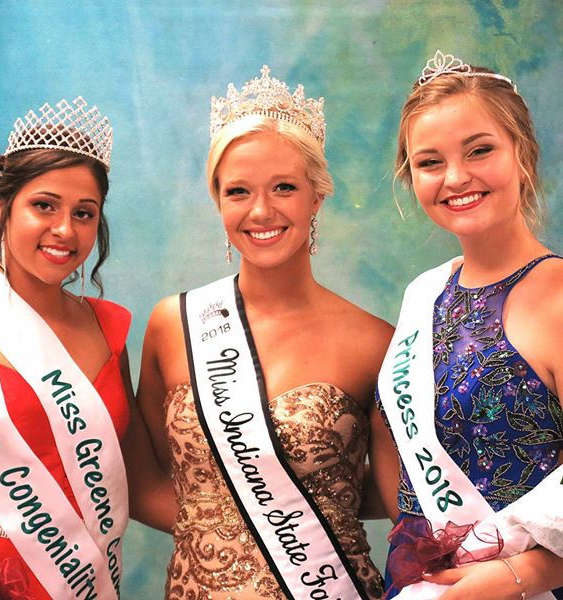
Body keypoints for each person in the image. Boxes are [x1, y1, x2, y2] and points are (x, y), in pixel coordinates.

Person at [137, 65, 394, 599]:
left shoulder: (374, 342)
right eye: (238, 191)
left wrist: (322, 509)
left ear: (316, 195)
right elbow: (146, 480)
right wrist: (220, 542)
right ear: (218, 201)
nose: (261, 210)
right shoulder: (173, 325)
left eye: (284, 187)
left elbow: (402, 492)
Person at [375, 50, 563, 599]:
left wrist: (523, 574)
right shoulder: (424, 293)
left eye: (479, 150)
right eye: (430, 162)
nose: (456, 177)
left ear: (521, 152)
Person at [0, 97, 164, 599]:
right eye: (44, 205)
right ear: (0, 206)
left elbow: (140, 483)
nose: (65, 230)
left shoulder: (109, 330)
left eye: (84, 213)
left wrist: (255, 526)